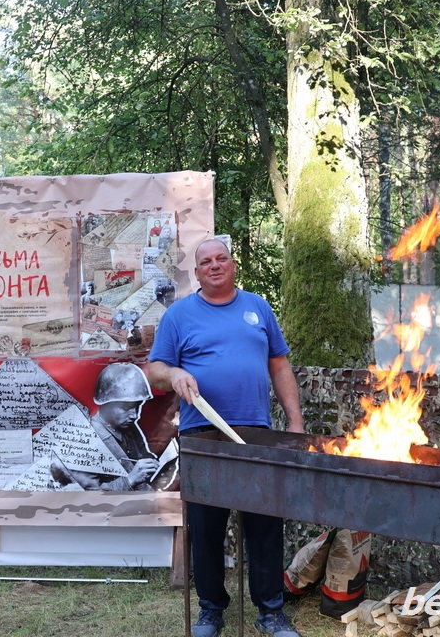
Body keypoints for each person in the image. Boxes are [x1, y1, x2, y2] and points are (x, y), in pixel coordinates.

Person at [148, 239, 304, 637]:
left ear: (233, 265)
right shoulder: (179, 315)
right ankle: (211, 609)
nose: (214, 265)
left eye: (221, 259)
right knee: (206, 526)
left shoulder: (258, 308)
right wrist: (174, 374)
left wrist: (295, 421)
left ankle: (270, 611)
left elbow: (280, 366)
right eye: (206, 262)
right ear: (197, 272)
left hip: (256, 433)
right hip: (202, 434)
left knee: (264, 522)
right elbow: (155, 371)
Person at [89, 362, 161, 491]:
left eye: (138, 406)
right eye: (126, 408)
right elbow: (85, 496)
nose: (135, 415)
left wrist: (151, 464)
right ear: (106, 404)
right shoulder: (87, 437)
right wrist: (130, 480)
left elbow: (142, 456)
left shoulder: (128, 428)